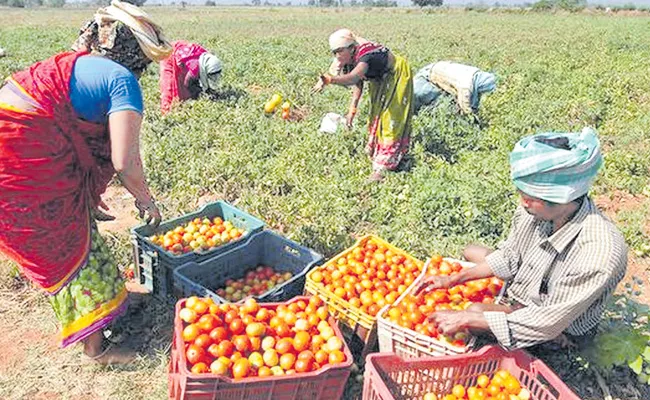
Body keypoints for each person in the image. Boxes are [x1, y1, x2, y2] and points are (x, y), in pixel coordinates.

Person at [0, 0, 171, 364]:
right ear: (135, 53)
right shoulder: (122, 80)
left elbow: (60, 124)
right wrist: (145, 200)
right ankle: (98, 349)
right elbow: (125, 161)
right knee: (63, 243)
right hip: (19, 164)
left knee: (77, 226)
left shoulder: (74, 63)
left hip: (21, 154)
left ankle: (112, 299)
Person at [418, 128, 627, 349]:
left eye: (529, 197)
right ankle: (505, 304)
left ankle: (556, 344)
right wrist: (454, 280)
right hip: (529, 289)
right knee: (472, 251)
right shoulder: (535, 211)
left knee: (475, 311)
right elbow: (509, 256)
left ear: (559, 198)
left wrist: (466, 318)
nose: (522, 203)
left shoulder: (598, 253)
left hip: (556, 325)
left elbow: (548, 321)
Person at [312, 29, 414, 182]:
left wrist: (330, 80)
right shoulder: (352, 58)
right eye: (335, 52)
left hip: (397, 75)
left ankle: (382, 169)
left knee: (391, 120)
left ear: (351, 48)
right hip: (380, 79)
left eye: (339, 51)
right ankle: (385, 156)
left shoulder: (366, 54)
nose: (337, 56)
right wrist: (352, 111)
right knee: (377, 117)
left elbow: (354, 77)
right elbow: (358, 83)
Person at [159, 40, 223, 114]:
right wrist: (198, 94)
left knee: (186, 93)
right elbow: (188, 84)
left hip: (185, 53)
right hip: (170, 53)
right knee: (169, 87)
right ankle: (165, 112)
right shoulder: (195, 67)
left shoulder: (206, 61)